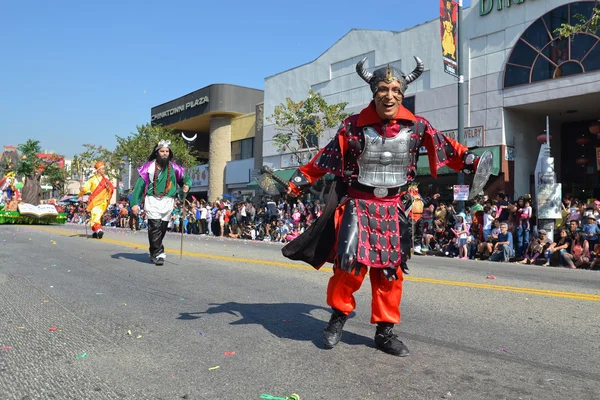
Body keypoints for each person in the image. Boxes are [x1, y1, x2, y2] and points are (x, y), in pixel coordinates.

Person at [282, 57, 488, 357]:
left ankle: (385, 331)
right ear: (373, 92)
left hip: (394, 208)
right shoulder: (351, 126)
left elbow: (447, 148)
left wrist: (470, 160)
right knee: (349, 267)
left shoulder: (418, 126)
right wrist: (297, 180)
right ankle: (337, 319)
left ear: (403, 93)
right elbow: (325, 159)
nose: (389, 95)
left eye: (395, 89)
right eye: (382, 89)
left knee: (390, 273)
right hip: (358, 204)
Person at [130, 140, 191, 265]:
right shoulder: (148, 168)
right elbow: (139, 187)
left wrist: (186, 185)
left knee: (162, 228)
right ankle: (158, 253)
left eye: (167, 151)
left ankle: (153, 252)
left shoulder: (175, 168)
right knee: (155, 227)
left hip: (168, 201)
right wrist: (134, 203)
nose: (164, 154)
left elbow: (187, 179)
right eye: (162, 151)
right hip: (152, 200)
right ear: (157, 152)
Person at [78, 161, 114, 239]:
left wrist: (108, 189)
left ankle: (98, 230)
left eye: (104, 169)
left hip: (102, 202)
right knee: (95, 215)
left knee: (97, 215)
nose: (104, 170)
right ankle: (96, 231)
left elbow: (111, 189)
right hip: (94, 201)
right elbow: (86, 187)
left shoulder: (106, 180)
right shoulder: (92, 180)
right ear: (98, 170)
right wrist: (82, 189)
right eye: (102, 169)